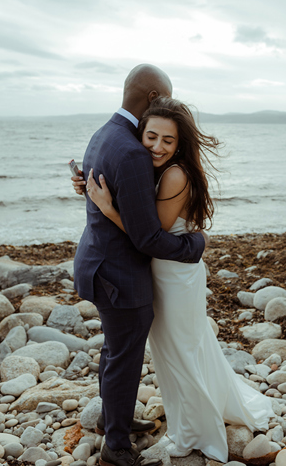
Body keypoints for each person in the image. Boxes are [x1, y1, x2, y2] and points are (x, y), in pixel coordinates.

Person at [78, 96, 274, 462]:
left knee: (180, 349)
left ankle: (194, 429)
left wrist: (106, 207)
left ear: (179, 144)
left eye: (167, 140)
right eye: (151, 136)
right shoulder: (153, 167)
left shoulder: (173, 174)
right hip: (164, 271)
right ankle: (188, 411)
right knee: (180, 347)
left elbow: (148, 235)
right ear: (141, 133)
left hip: (173, 274)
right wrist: (86, 186)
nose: (157, 146)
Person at [73, 64, 207, 466]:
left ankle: (113, 419)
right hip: (118, 273)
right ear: (152, 99)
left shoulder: (104, 133)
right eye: (165, 96)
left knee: (115, 351)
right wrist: (195, 245)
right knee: (125, 357)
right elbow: (148, 237)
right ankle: (115, 446)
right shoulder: (132, 151)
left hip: (97, 261)